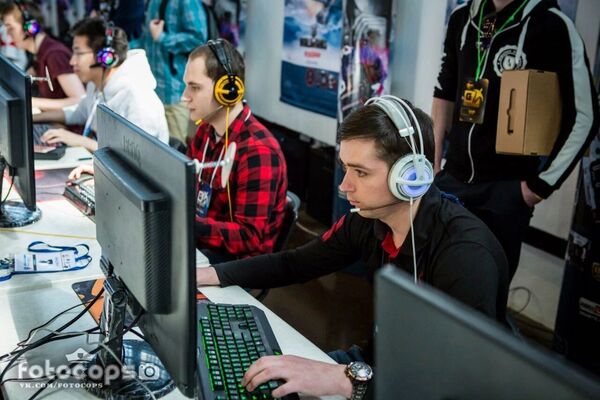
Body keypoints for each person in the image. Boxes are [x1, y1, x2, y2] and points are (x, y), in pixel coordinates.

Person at [196, 96, 509, 399]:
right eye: (345, 168)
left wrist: (342, 380)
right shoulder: (367, 221)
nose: (344, 186)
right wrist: (210, 274)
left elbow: (462, 384)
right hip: (375, 368)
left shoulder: (466, 255)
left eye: (361, 172)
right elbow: (294, 264)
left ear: (410, 176)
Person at [432, 0, 600, 280]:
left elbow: (586, 115)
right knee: (436, 281)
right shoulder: (463, 17)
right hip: (451, 181)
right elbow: (445, 90)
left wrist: (539, 187)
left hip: (505, 193)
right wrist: (435, 163)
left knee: (484, 292)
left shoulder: (552, 24)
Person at [182, 39, 288, 263]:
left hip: (237, 265)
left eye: (195, 87)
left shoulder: (258, 151)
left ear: (228, 91)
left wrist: (188, 224)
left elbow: (249, 238)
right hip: (201, 246)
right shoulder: (205, 132)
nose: (185, 96)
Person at [33, 18, 169, 152]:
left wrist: (80, 141)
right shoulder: (96, 84)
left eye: (78, 53)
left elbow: (137, 157)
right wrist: (33, 118)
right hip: (101, 162)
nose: (72, 61)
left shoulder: (138, 99)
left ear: (105, 57)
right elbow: (79, 112)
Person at [141, 0, 208, 143]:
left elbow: (199, 39)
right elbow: (146, 40)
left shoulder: (187, 2)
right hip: (151, 90)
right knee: (151, 147)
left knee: (174, 149)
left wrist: (163, 38)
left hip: (174, 92)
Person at [1, 1, 85, 110]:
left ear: (30, 28)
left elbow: (79, 100)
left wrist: (30, 102)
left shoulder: (54, 55)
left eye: (10, 28)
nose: (7, 34)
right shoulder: (38, 55)